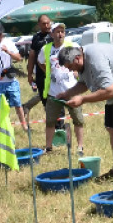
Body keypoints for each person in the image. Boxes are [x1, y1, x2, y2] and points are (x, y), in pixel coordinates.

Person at [57, 43, 113, 179]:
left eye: (70, 67)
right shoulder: (83, 61)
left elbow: (110, 90)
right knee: (112, 129)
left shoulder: (95, 59)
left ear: (77, 59)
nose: (70, 71)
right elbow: (84, 84)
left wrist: (83, 99)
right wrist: (67, 93)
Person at [40, 23, 85, 155]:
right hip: (53, 92)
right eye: (57, 31)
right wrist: (50, 72)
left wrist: (78, 72)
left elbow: (82, 59)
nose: (60, 34)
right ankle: (48, 148)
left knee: (78, 119)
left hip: (72, 90)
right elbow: (41, 62)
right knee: (50, 121)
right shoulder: (46, 49)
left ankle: (80, 147)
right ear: (52, 34)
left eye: (62, 31)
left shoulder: (72, 46)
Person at [0, 23, 28, 132]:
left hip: (10, 79)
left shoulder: (9, 43)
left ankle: (24, 126)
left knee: (18, 104)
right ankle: (5, 128)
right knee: (1, 107)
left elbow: (19, 58)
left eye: (1, 34)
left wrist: (7, 51)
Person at [24, 15, 54, 113]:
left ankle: (60, 125)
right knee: (45, 100)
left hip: (55, 74)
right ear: (39, 25)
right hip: (41, 75)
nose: (46, 25)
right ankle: (52, 125)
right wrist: (29, 74)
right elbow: (32, 57)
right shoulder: (36, 38)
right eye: (43, 24)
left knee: (57, 100)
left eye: (48, 23)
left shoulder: (55, 35)